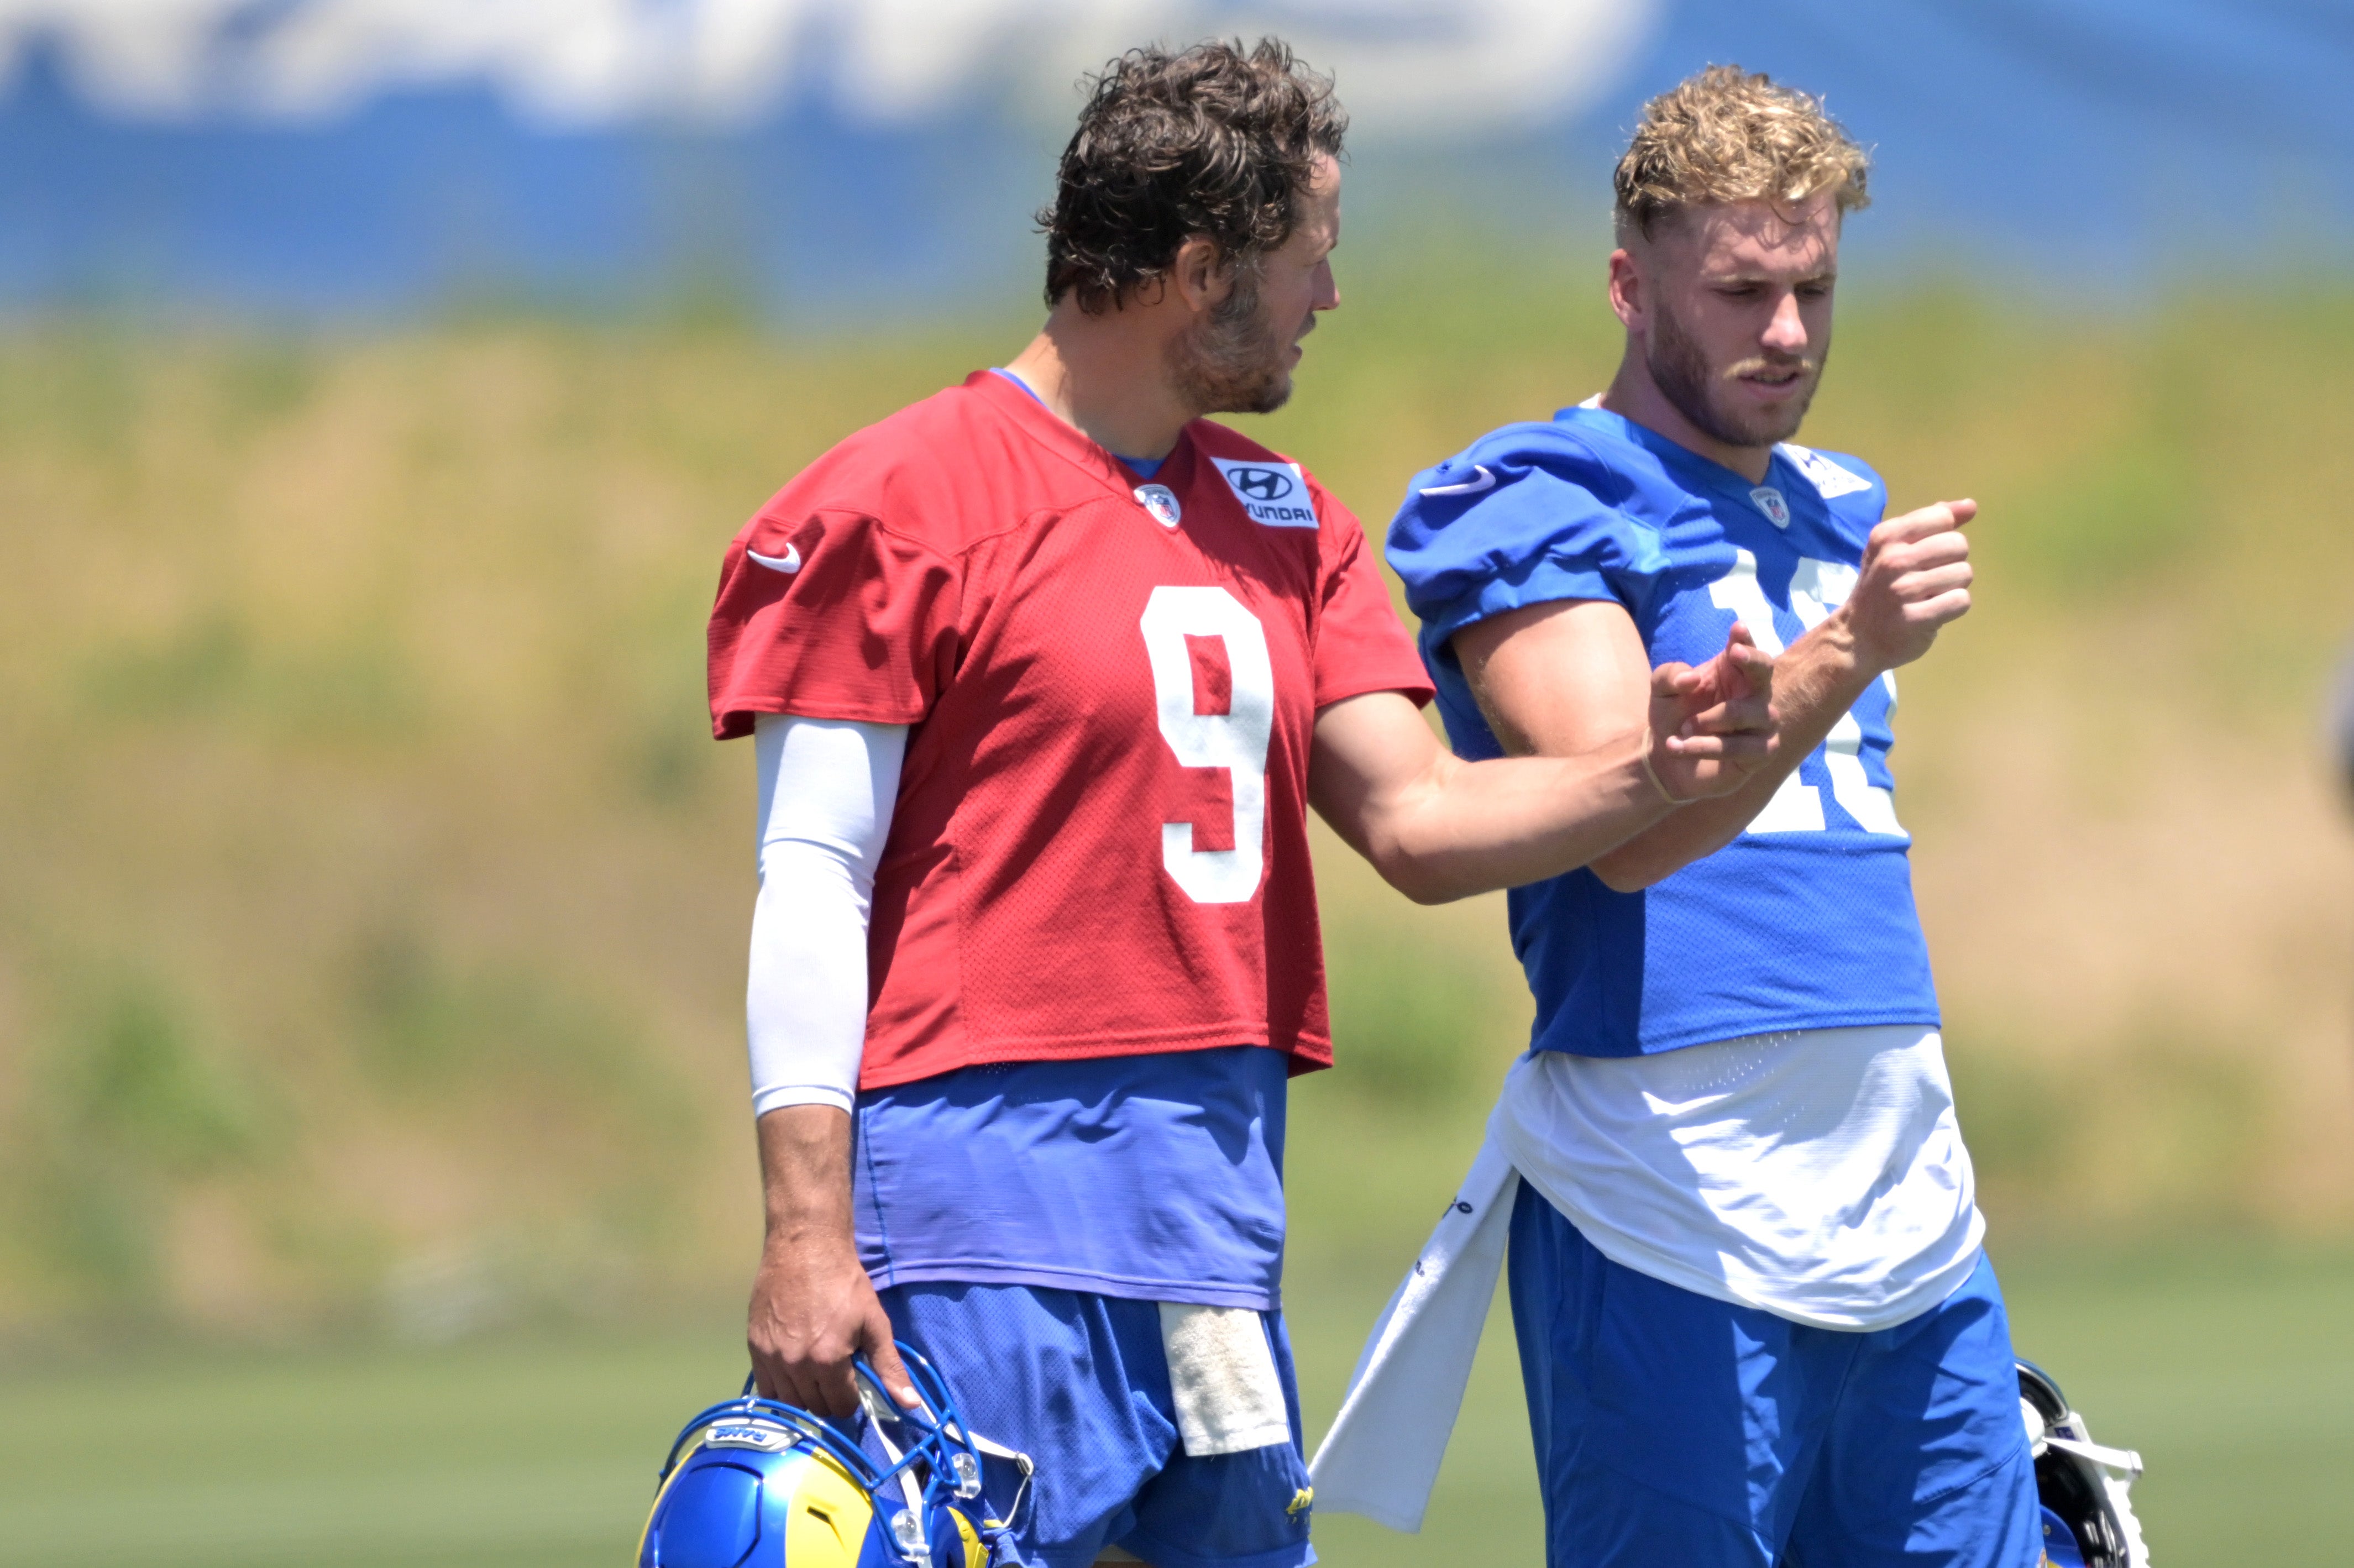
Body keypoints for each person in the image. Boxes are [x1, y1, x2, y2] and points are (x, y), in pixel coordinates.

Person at [703, 40, 1779, 1568]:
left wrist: (1649, 773)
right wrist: (805, 1232)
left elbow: (1414, 823)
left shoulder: (1284, 520)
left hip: (1210, 1222)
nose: (1327, 300)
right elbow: (811, 874)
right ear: (1200, 269)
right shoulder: (901, 499)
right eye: (1306, 261)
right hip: (978, 1226)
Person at [1331, 64, 2035, 1567]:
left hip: (1907, 1189)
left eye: (1813, 289)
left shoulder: (1841, 499)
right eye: (1737, 292)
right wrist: (1845, 649)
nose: (1784, 334)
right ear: (1626, 283)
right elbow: (1631, 828)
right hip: (1672, 1190)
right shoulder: (1530, 491)